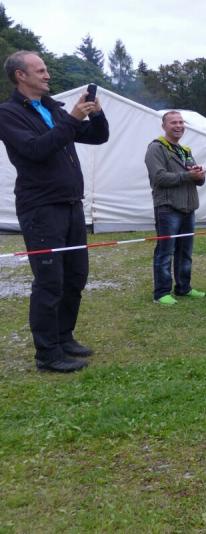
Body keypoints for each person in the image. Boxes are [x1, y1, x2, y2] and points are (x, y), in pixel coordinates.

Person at [0, 51, 109, 373]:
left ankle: (64, 337)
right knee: (50, 281)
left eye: (46, 70)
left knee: (76, 276)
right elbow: (36, 149)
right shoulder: (8, 114)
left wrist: (96, 114)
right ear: (21, 76)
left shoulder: (53, 109)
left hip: (71, 204)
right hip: (41, 208)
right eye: (41, 70)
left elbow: (98, 137)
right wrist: (72, 118)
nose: (48, 75)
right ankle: (47, 354)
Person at [145, 111, 206, 305]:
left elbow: (197, 181)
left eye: (181, 122)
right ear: (164, 126)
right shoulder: (156, 148)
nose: (179, 126)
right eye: (174, 122)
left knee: (185, 252)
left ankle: (183, 288)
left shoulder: (185, 150)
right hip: (168, 208)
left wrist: (200, 174)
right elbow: (159, 177)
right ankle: (161, 292)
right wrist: (189, 176)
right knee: (165, 252)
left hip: (188, 208)